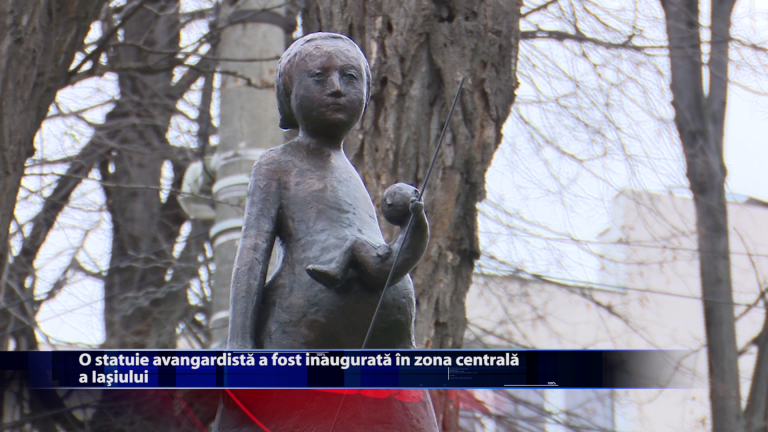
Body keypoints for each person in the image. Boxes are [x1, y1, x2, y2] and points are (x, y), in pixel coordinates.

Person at [225, 32, 430, 350]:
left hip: (389, 325)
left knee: (401, 401)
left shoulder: (349, 172)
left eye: (350, 77)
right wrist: (238, 341)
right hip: (306, 324)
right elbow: (252, 254)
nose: (336, 88)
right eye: (319, 77)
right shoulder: (278, 164)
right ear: (290, 93)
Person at [306, 182, 429, 289]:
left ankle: (337, 270)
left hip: (384, 270)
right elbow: (400, 247)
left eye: (394, 194)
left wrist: (418, 212)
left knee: (355, 243)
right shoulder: (407, 227)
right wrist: (388, 249)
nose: (388, 202)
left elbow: (420, 227)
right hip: (388, 269)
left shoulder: (417, 224)